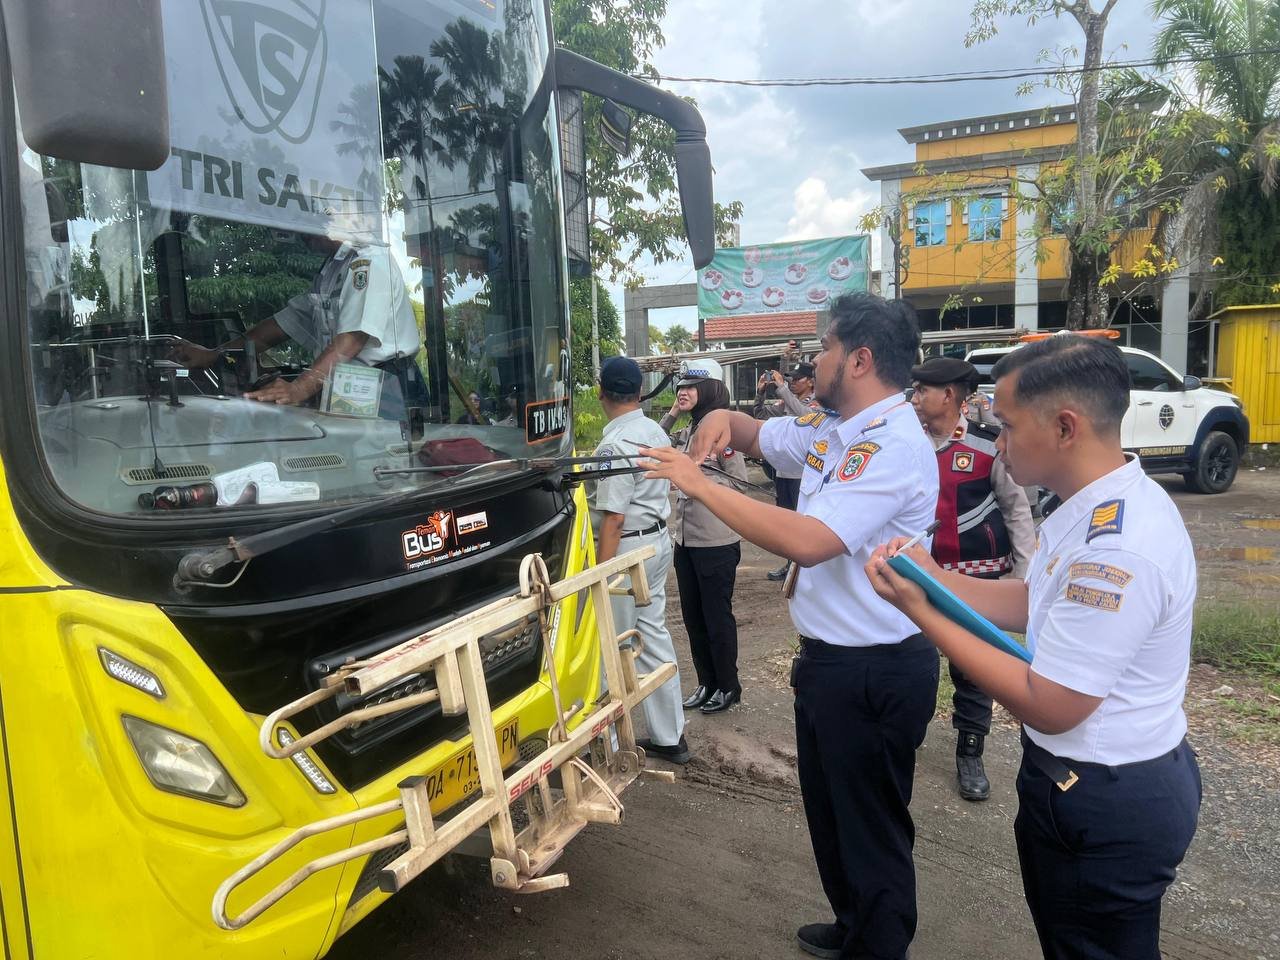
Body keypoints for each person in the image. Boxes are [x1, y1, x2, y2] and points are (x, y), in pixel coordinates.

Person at [867, 334, 1201, 960]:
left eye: (1009, 426)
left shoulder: (1117, 550)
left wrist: (921, 612)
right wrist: (933, 578)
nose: (998, 443)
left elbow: (1051, 704)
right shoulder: (1092, 507)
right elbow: (1033, 599)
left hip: (1102, 795)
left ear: (1065, 427)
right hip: (1080, 782)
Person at [642, 293, 939, 960]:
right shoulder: (836, 429)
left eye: (825, 348)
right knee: (831, 815)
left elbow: (808, 540)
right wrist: (720, 416)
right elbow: (756, 435)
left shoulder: (891, 445)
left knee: (870, 827)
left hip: (875, 666)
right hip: (832, 662)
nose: (814, 361)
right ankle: (853, 924)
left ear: (859, 359)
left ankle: (878, 945)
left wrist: (700, 483)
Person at [910, 356, 1036, 802]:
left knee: (973, 672)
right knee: (916, 662)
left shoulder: (986, 444)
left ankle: (970, 750)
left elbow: (1017, 510)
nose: (915, 397)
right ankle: (910, 730)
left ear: (949, 396)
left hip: (980, 580)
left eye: (923, 390)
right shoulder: (907, 443)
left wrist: (1023, 576)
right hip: (920, 577)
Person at [170, 227, 422, 418]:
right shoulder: (331, 269)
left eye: (305, 226)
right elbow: (281, 326)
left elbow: (352, 339)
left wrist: (299, 388)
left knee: (386, 464)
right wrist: (214, 355)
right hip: (347, 386)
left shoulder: (370, 260)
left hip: (387, 387)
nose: (300, 234)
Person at [588, 356, 689, 764]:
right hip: (656, 542)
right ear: (640, 392)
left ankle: (609, 744)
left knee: (611, 643)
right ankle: (670, 736)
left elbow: (613, 519)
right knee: (651, 635)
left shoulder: (614, 445)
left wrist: (599, 574)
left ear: (601, 393)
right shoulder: (653, 430)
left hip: (626, 549)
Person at [660, 358, 748, 714]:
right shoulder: (689, 431)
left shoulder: (723, 433)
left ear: (710, 389)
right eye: (680, 386)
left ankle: (728, 685)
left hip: (716, 541)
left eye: (691, 386)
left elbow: (741, 486)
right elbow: (655, 440)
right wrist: (672, 414)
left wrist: (698, 482)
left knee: (716, 618)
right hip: (686, 540)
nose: (682, 391)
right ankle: (706, 682)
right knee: (693, 618)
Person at [753, 361, 820, 581]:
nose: (792, 383)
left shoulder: (816, 403)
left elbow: (806, 417)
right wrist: (761, 393)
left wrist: (782, 389)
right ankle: (791, 564)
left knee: (802, 521)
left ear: (811, 382)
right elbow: (761, 414)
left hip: (803, 474)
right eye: (790, 379)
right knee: (786, 520)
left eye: (797, 379)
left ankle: (803, 567)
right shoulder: (786, 402)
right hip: (783, 472)